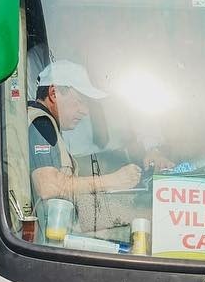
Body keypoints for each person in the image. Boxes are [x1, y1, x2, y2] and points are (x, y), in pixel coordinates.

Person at [28, 59, 142, 207]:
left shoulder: (43, 122)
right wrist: (114, 180)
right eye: (80, 101)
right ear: (53, 93)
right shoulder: (40, 123)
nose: (85, 111)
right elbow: (48, 186)